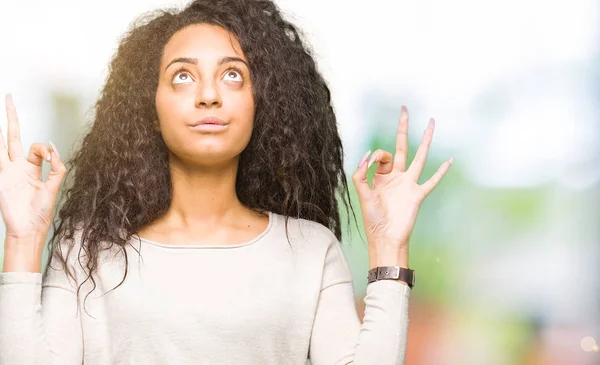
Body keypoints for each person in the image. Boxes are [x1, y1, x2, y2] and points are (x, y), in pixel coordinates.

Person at [0, 0, 452, 364]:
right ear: (149, 107)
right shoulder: (84, 252)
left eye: (232, 74)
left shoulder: (312, 251)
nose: (209, 94)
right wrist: (22, 239)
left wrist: (388, 244)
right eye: (182, 76)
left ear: (262, 103)